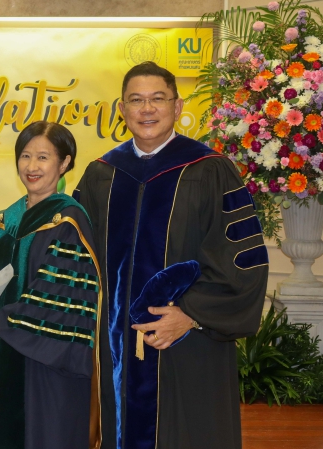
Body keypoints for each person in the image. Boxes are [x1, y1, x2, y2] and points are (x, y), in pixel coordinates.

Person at [74, 61, 269, 449]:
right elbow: (76, 258)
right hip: (116, 350)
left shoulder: (211, 171)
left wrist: (191, 315)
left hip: (187, 345)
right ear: (121, 109)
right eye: (136, 100)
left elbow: (243, 262)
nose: (147, 109)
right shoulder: (101, 174)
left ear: (177, 107)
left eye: (158, 99)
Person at [0, 121, 101, 449]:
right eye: (25, 156)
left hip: (48, 364)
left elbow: (59, 295)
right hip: (4, 354)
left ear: (64, 163)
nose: (32, 166)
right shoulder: (4, 221)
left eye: (43, 157)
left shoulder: (69, 221)